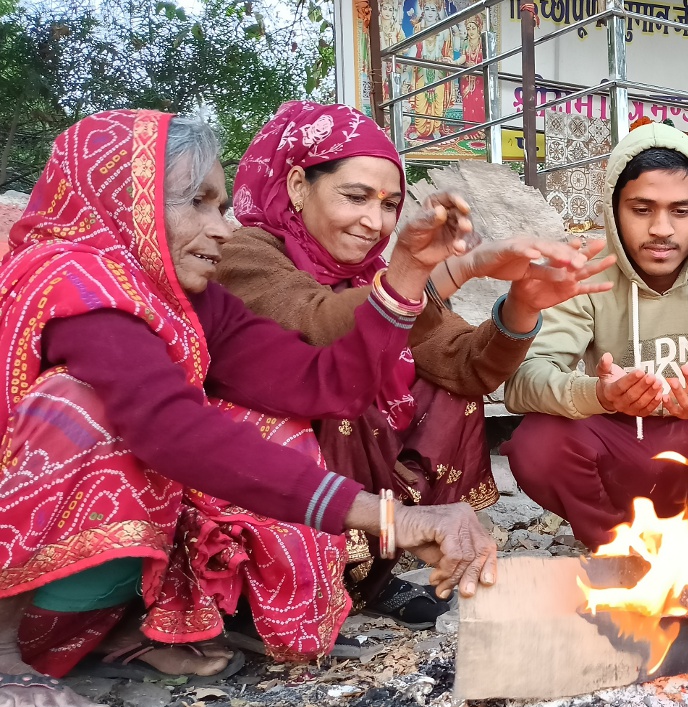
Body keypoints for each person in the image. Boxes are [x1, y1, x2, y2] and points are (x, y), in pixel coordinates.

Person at [0, 109, 496, 707]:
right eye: (198, 204)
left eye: (221, 204)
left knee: (272, 427)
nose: (222, 229)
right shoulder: (77, 285)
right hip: (24, 572)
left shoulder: (190, 299)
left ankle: (121, 628)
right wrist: (393, 516)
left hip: (85, 590)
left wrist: (406, 273)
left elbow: (319, 384)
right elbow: (171, 429)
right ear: (125, 201)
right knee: (83, 409)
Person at [219, 101, 610, 630]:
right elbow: (317, 326)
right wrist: (425, 270)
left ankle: (365, 576)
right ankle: (263, 587)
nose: (374, 222)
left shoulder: (373, 276)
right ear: (295, 186)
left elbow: (465, 368)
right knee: (348, 388)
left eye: (389, 205)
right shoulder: (246, 252)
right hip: (250, 477)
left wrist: (522, 305)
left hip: (340, 454)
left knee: (443, 391)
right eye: (355, 197)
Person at [501, 123, 688, 550]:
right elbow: (522, 383)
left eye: (681, 211)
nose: (662, 229)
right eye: (642, 209)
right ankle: (616, 549)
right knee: (537, 445)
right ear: (614, 209)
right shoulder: (587, 271)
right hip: (621, 454)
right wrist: (599, 395)